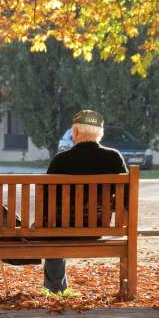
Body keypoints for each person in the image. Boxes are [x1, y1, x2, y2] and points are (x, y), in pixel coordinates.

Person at [43, 109, 128, 293]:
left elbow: (47, 200)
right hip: (97, 227)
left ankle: (56, 290)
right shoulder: (114, 158)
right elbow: (126, 199)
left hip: (62, 230)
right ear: (100, 133)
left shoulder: (60, 160)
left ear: (75, 132)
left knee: (51, 229)